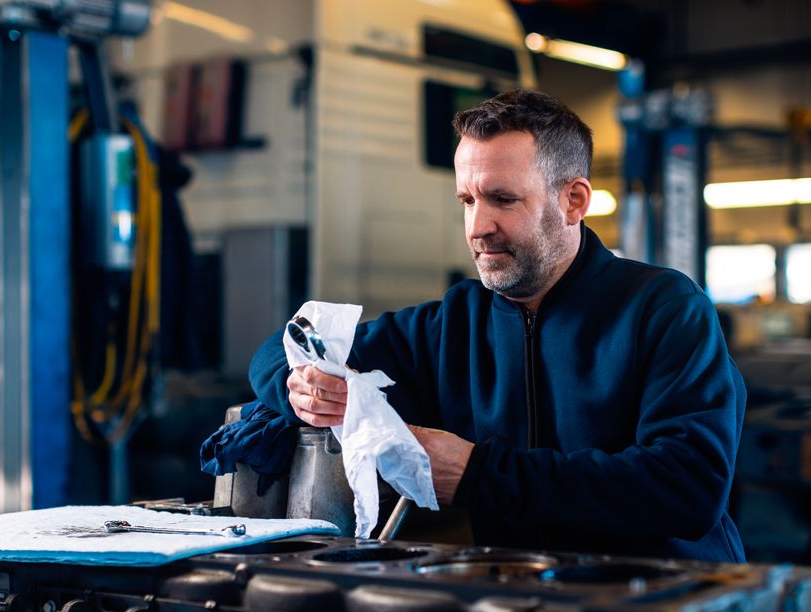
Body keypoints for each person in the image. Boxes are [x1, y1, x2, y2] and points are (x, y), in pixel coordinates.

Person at [249, 89, 746, 562]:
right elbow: (279, 347)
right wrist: (300, 382)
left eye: (502, 199)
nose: (477, 227)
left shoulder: (664, 309)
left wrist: (477, 474)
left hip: (665, 603)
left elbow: (687, 487)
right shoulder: (452, 325)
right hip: (527, 599)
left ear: (573, 201)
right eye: (467, 201)